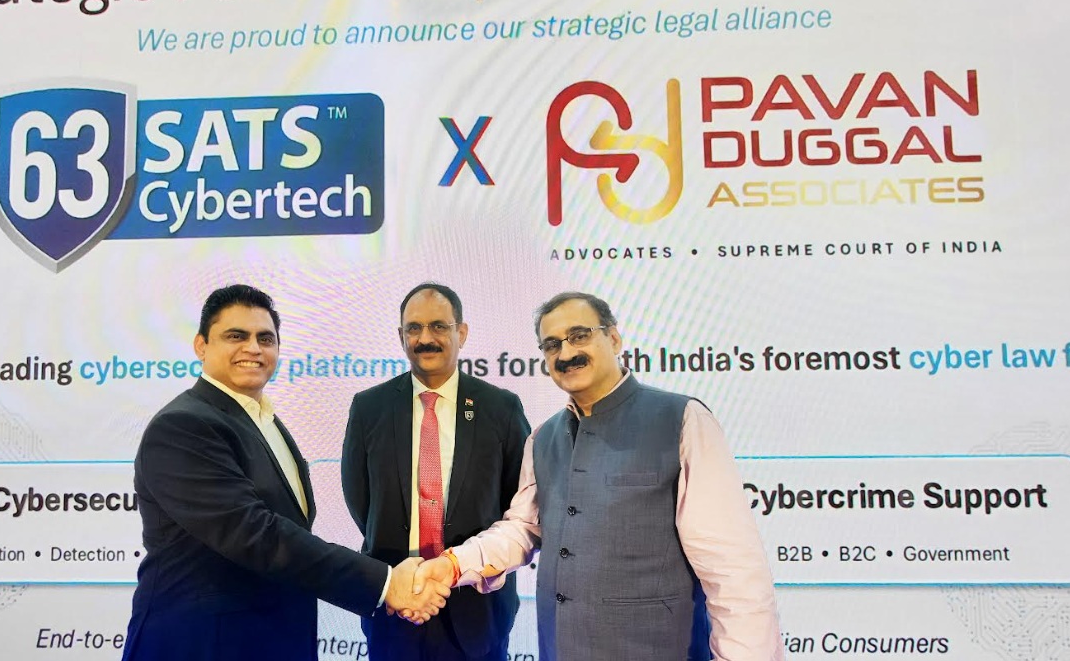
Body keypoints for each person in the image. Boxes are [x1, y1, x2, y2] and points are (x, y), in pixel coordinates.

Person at [414, 291, 784, 661]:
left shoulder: (684, 420)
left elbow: (733, 571)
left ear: (614, 338)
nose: (566, 353)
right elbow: (522, 529)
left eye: (579, 335)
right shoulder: (542, 438)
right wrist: (454, 564)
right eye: (552, 345)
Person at [121, 284, 449, 661]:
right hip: (204, 643)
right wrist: (386, 583)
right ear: (201, 346)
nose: (253, 348)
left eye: (265, 338)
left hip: (274, 637)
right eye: (235, 336)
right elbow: (255, 533)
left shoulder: (264, 421)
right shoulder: (184, 426)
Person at [342, 283, 531, 660]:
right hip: (396, 601)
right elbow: (360, 499)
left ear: (462, 333)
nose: (425, 338)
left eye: (439, 326)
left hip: (476, 606)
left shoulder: (501, 408)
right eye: (414, 328)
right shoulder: (369, 407)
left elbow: (519, 505)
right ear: (401, 336)